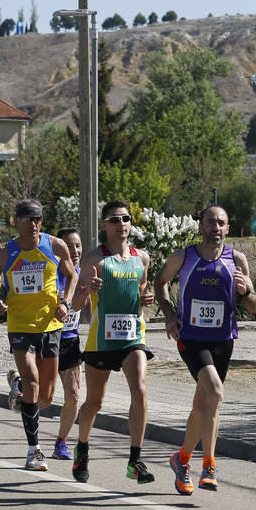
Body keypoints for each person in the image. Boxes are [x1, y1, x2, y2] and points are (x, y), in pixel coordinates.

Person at [154, 204, 256, 494]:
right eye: (210, 222)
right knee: (215, 391)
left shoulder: (237, 260)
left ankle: (181, 459)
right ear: (200, 227)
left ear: (227, 228)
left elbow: (253, 305)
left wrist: (246, 291)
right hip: (191, 338)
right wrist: (169, 314)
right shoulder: (183, 257)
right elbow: (160, 282)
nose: (215, 227)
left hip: (223, 340)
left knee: (202, 406)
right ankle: (209, 466)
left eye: (221, 223)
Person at [0, 199, 77, 472]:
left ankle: (17, 390)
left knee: (45, 398)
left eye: (37, 218)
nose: (33, 223)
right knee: (33, 383)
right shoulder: (3, 254)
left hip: (51, 327)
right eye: (27, 218)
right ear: (16, 222)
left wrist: (66, 303)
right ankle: (33, 450)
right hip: (20, 326)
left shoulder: (56, 246)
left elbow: (71, 277)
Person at [70, 200, 155, 484]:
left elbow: (142, 294)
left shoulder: (142, 258)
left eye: (126, 219)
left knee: (140, 391)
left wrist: (147, 299)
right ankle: (81, 448)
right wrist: (87, 289)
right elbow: (76, 302)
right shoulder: (95, 259)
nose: (121, 225)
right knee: (94, 402)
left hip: (133, 337)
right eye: (115, 220)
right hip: (101, 341)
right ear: (104, 225)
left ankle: (135, 460)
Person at [51, 227, 90, 460]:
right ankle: (19, 384)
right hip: (46, 338)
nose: (75, 251)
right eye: (70, 246)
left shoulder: (82, 273)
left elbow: (83, 311)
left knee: (74, 395)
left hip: (70, 340)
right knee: (41, 395)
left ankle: (61, 442)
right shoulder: (50, 272)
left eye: (78, 245)